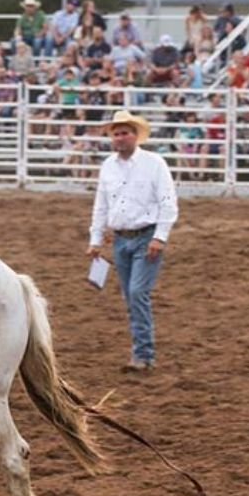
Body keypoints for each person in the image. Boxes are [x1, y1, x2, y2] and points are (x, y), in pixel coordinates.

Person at [86, 110, 178, 372]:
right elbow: (101, 205)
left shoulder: (154, 163)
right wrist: (95, 239)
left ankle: (143, 354)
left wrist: (160, 237)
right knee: (132, 296)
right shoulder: (107, 166)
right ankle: (142, 350)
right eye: (116, 133)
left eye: (125, 132)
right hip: (121, 239)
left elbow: (167, 201)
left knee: (137, 293)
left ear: (136, 136)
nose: (120, 137)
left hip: (146, 236)